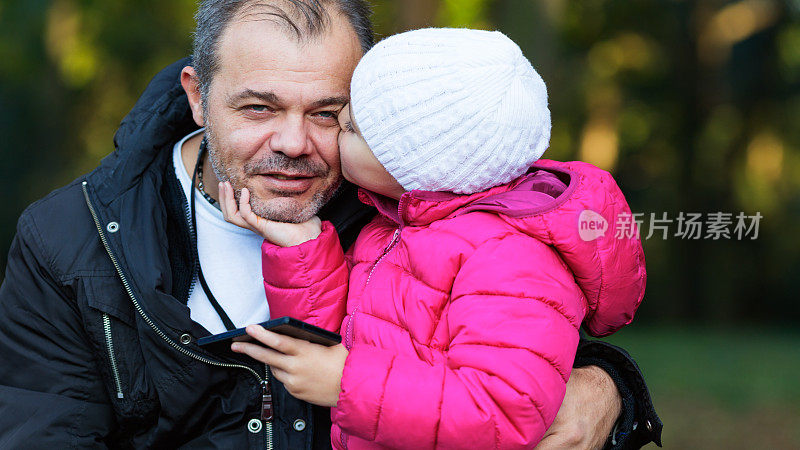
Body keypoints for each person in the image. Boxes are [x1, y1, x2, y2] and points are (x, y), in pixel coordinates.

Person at [0, 1, 662, 448]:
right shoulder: (73, 240)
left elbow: (521, 350)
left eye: (328, 114)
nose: (294, 143)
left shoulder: (408, 208)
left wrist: (610, 392)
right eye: (260, 107)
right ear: (198, 95)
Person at [219, 27, 645, 449]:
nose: (330, 137)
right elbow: (334, 343)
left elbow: (501, 412)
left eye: (347, 127)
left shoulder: (509, 257)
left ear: (411, 162)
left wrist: (346, 383)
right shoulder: (399, 228)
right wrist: (302, 248)